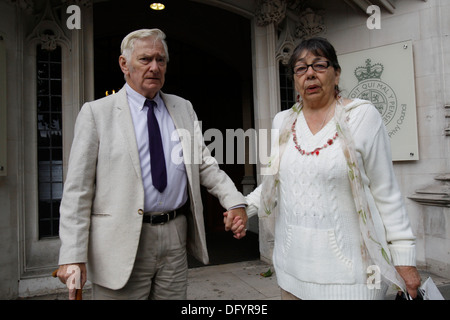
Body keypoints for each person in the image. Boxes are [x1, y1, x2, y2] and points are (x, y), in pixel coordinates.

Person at [57, 28, 247, 300]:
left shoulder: (183, 108)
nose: (154, 67)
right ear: (124, 64)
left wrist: (235, 202)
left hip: (174, 236)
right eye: (145, 59)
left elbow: (204, 164)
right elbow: (77, 191)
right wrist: (73, 255)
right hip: (120, 242)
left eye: (161, 60)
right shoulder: (97, 113)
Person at [243, 37, 421, 300]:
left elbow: (386, 192)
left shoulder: (362, 116)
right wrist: (242, 208)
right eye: (301, 68)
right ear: (295, 79)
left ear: (336, 74)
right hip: (292, 273)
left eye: (319, 65)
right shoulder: (282, 121)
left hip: (353, 279)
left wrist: (404, 258)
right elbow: (274, 183)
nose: (310, 74)